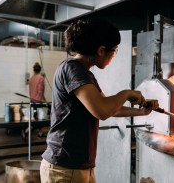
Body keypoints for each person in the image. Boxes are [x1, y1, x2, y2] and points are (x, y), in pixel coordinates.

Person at [40, 19, 159, 183]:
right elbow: (102, 111)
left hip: (79, 166)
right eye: (114, 50)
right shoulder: (73, 69)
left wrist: (141, 111)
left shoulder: (86, 74)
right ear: (101, 50)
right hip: (65, 167)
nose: (113, 56)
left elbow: (111, 108)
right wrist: (126, 93)